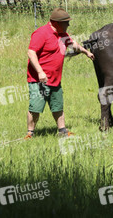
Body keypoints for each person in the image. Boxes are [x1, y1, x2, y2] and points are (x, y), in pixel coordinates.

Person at [25, 8, 94, 139]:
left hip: (55, 79)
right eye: (66, 22)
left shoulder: (62, 34)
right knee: (35, 107)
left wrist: (86, 52)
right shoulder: (41, 33)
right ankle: (30, 133)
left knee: (57, 105)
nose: (68, 25)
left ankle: (62, 131)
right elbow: (31, 52)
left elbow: (73, 44)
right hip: (39, 79)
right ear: (56, 23)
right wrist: (40, 72)